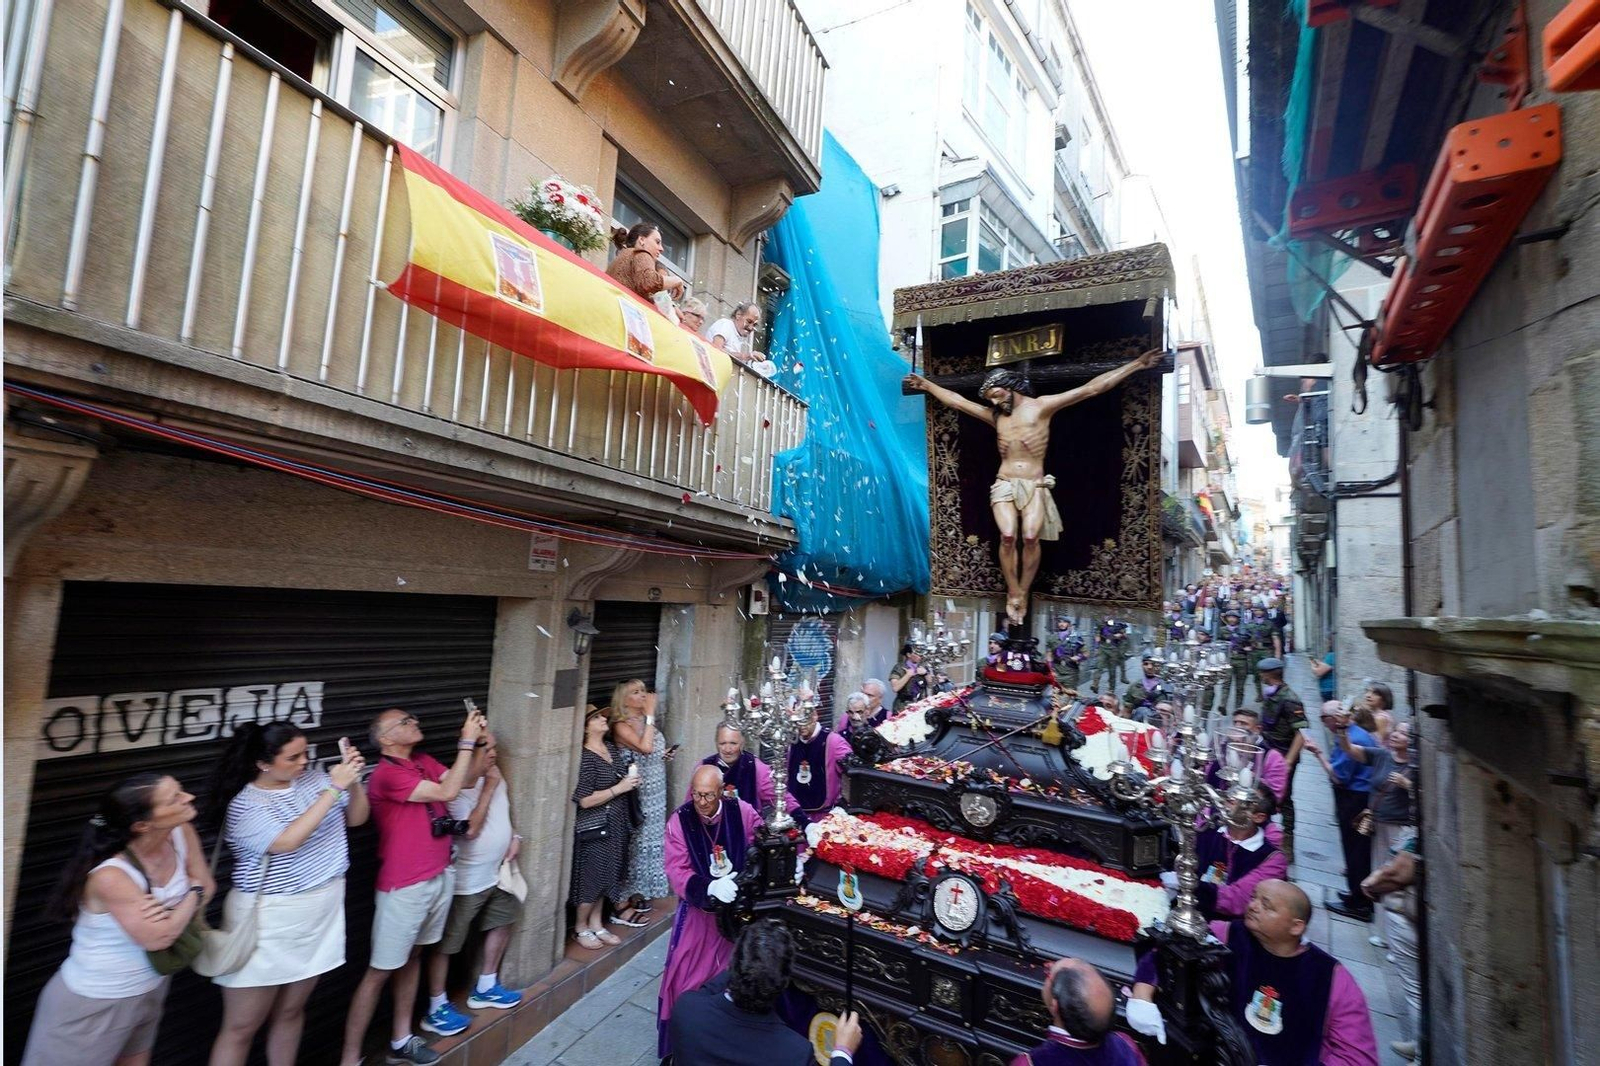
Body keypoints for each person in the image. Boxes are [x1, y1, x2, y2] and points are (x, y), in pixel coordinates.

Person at [904, 349, 1163, 623]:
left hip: (1034, 485)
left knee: (1029, 537)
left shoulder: (1041, 407)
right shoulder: (995, 417)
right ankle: (1013, 592)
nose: (993, 400)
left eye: (997, 393)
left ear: (1012, 387)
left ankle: (1023, 591)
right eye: (990, 397)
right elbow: (957, 402)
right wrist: (928, 385)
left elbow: (1091, 389)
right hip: (1004, 483)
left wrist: (1136, 364)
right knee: (1007, 536)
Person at [205, 723, 369, 1066]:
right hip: (269, 920)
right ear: (263, 763)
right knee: (241, 1025)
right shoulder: (246, 805)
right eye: (293, 757)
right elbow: (287, 842)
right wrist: (335, 787)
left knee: (292, 1010)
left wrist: (353, 782)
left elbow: (357, 818)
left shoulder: (314, 780)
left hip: (319, 910)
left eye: (306, 753)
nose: (304, 762)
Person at [23, 774, 214, 1066]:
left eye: (181, 791)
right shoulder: (111, 876)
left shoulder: (181, 832)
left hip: (150, 986)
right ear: (142, 825)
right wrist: (191, 893)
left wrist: (176, 908)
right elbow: (158, 937)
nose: (188, 797)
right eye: (174, 798)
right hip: (96, 1000)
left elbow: (209, 885)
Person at [339, 706, 486, 1066]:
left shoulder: (421, 760)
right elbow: (448, 792)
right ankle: (349, 1058)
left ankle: (402, 1038)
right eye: (406, 722)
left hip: (437, 875)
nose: (416, 722)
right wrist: (466, 740)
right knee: (379, 971)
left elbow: (466, 780)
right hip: (405, 886)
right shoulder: (387, 775)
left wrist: (480, 744)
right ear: (387, 739)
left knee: (414, 957)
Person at [1130, 880, 1378, 1066]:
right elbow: (1167, 949)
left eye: (1266, 906)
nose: (1253, 906)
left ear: (1296, 926)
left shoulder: (1331, 977)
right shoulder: (1226, 935)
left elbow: (1358, 1057)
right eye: (1254, 898)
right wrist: (1142, 994)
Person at [658, 765, 762, 1058]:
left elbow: (759, 838)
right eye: (696, 794)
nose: (701, 802)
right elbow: (676, 869)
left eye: (707, 795)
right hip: (698, 916)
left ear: (721, 792)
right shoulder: (680, 820)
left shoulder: (739, 809)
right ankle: (685, 1045)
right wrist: (707, 889)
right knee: (687, 977)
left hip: (736, 916)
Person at [424, 730, 524, 1023]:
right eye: (486, 748)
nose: (493, 754)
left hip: (498, 874)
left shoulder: (495, 775)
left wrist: (514, 835)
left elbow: (503, 814)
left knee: (505, 920)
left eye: (493, 747)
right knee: (447, 945)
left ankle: (486, 985)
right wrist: (489, 787)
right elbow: (469, 829)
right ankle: (436, 1005)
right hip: (466, 880)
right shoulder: (453, 786)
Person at [668, 920, 862, 1066]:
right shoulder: (795, 1053)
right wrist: (843, 1052)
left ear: (732, 963)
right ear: (784, 984)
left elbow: (711, 989)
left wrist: (748, 962)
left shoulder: (687, 1009)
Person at [1301, 702, 1378, 921]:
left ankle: (1359, 902)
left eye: (1323, 718)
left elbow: (1338, 776)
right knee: (1354, 849)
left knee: (1355, 850)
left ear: (1333, 719)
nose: (1323, 723)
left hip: (1355, 799)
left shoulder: (1353, 738)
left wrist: (1317, 753)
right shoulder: (1351, 734)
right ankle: (1356, 893)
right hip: (1357, 797)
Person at [569, 706, 639, 947]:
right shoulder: (586, 757)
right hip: (595, 827)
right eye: (597, 717)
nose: (603, 719)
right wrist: (619, 788)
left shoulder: (609, 748)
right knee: (590, 878)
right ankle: (580, 928)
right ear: (586, 726)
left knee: (607, 876)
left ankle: (596, 924)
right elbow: (584, 799)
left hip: (615, 825)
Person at [1173, 784, 1287, 921]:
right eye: (1231, 798)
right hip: (1186, 913)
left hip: (1228, 931)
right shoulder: (1207, 832)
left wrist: (1185, 883)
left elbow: (1238, 899)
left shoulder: (1273, 859)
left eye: (1241, 801)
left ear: (1258, 817)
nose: (1228, 802)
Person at [1331, 719, 1417, 899]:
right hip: (1374, 822)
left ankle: (1387, 906)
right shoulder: (1382, 755)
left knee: (1391, 869)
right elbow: (1350, 749)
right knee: (1374, 866)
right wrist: (1342, 729)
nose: (1394, 734)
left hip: (1397, 827)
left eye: (1402, 733)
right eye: (1395, 731)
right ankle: (1373, 904)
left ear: (1411, 741)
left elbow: (1424, 795)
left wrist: (1407, 784)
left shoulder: (1415, 766)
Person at [610, 679, 671, 927]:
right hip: (637, 795)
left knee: (650, 841)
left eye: (643, 691)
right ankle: (620, 902)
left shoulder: (645, 722)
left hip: (656, 790)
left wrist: (664, 754)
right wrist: (650, 715)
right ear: (623, 701)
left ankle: (639, 891)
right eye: (635, 693)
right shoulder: (621, 726)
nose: (643, 696)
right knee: (635, 843)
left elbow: (652, 750)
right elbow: (644, 747)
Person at [1011, 957, 1147, 1065]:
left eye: (1049, 974)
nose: (1048, 969)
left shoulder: (1029, 1063)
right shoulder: (1126, 1044)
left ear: (1055, 1006)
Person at [1362, 833, 1422, 1062]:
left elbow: (1399, 869)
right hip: (1409, 917)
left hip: (1407, 915)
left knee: (1415, 990)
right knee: (1416, 988)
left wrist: (1371, 882)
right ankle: (1418, 1042)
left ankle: (1421, 1053)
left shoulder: (1419, 832)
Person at [1255, 658, 1307, 862]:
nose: (1261, 677)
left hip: (1283, 754)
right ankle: (1264, 829)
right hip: (1267, 751)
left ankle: (1288, 840)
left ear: (1270, 675)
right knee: (1262, 790)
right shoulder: (1271, 694)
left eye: (1263, 673)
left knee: (1284, 798)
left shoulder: (1290, 699)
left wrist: (1289, 762)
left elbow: (1301, 732)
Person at [699, 720, 801, 823]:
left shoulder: (755, 767)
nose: (727, 749)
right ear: (716, 743)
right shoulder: (704, 767)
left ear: (742, 743)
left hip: (746, 834)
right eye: (723, 743)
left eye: (733, 743)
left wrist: (804, 821)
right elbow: (690, 808)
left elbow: (782, 797)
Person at [786, 699, 853, 819]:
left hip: (824, 815)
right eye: (797, 722)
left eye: (804, 720)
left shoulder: (833, 741)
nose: (801, 726)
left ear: (815, 716)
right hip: (796, 814)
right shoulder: (792, 742)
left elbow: (852, 774)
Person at [606, 223, 685, 303]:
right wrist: (677, 280)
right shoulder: (642, 254)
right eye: (657, 242)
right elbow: (650, 281)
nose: (661, 249)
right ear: (642, 240)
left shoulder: (622, 256)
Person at [1121, 654, 1173, 723]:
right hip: (1139, 725)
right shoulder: (1135, 687)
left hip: (1162, 725)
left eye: (1153, 664)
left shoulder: (1168, 687)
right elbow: (1126, 712)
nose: (1149, 667)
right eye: (1146, 664)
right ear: (1142, 665)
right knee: (1142, 711)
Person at [1219, 609, 1252, 710]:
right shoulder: (1222, 630)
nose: (1232, 619)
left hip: (1241, 659)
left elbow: (1251, 642)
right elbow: (1218, 643)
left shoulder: (1244, 630)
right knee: (1226, 684)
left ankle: (1238, 708)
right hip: (1227, 660)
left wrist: (1248, 647)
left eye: (1234, 617)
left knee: (1240, 686)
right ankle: (1223, 705)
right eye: (1230, 617)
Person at [1049, 618, 1087, 691]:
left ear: (1069, 624)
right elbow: (1049, 654)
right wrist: (1051, 670)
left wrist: (1079, 657)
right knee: (1054, 696)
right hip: (1057, 672)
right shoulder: (1052, 637)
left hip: (1070, 672)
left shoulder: (1076, 637)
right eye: (1060, 622)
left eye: (1064, 622)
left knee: (1069, 695)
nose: (1061, 624)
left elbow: (1086, 653)